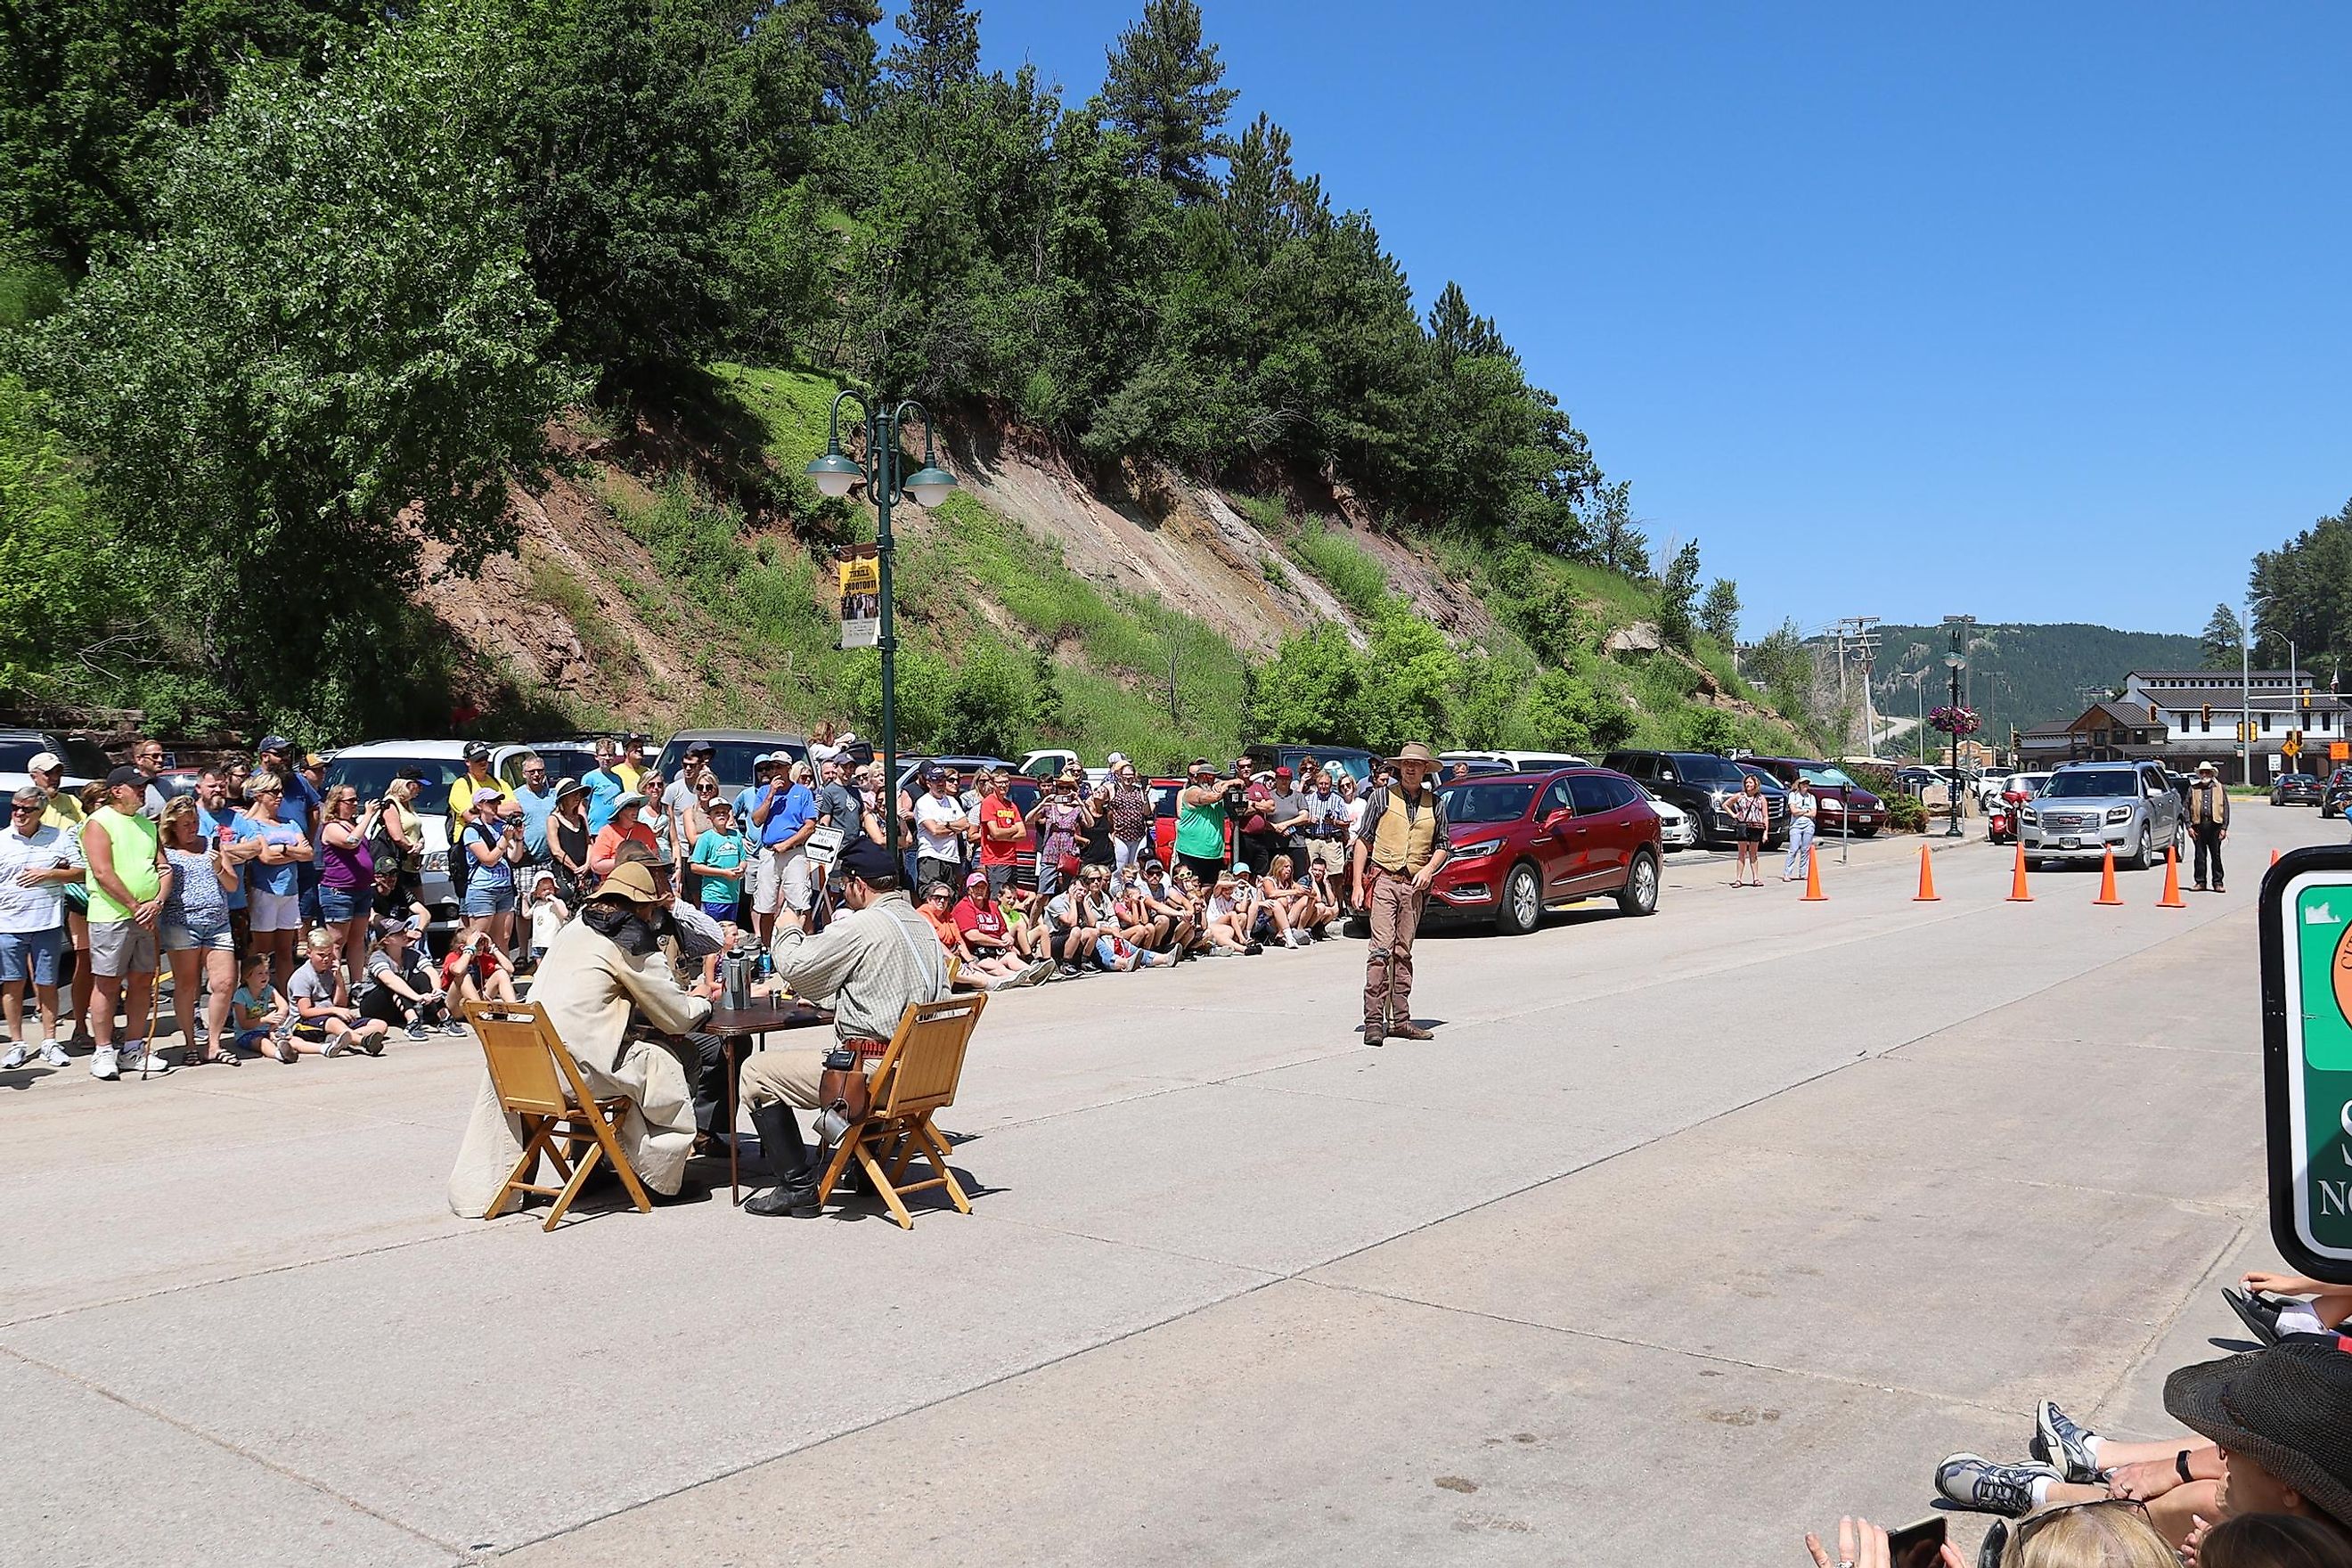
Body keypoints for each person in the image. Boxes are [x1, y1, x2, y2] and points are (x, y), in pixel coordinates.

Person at [450, 859, 715, 1213]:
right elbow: (677, 1017)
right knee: (672, 1058)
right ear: (642, 906)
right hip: (576, 1077)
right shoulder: (629, 939)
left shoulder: (574, 928)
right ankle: (659, 1176)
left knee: (614, 1052)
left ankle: (593, 1167)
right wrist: (701, 1001)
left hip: (533, 1070)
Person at [735, 840, 951, 1217]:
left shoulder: (864, 924)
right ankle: (864, 1167)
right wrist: (836, 1001)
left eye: (842, 886)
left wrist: (786, 929)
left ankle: (797, 1186)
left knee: (755, 1071)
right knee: (852, 1050)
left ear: (857, 884)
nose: (840, 893)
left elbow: (798, 967)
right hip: (919, 1074)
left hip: (873, 1077)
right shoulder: (921, 924)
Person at [1352, 742, 1452, 1045]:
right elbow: (1363, 841)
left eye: (1416, 764)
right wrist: (1357, 883)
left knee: (1402, 953)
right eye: (1406, 763)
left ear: (1425, 770)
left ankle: (1401, 1020)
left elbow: (1444, 846)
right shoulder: (1381, 797)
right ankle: (1373, 1021)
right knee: (1380, 950)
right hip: (1384, 880)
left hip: (1413, 886)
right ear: (1399, 767)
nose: (1410, 768)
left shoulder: (1435, 803)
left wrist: (1428, 870)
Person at [82, 765, 170, 1079]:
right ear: (117, 790)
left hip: (146, 916)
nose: (142, 790)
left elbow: (164, 867)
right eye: (136, 786)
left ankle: (133, 1048)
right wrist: (135, 906)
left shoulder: (147, 825)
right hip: (112, 917)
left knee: (142, 981)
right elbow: (103, 872)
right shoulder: (99, 822)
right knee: (107, 983)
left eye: (144, 786)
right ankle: (103, 1050)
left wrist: (157, 902)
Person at [157, 796, 242, 1065]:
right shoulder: (165, 851)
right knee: (186, 985)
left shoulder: (212, 846)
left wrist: (219, 867)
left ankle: (214, 1043)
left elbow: (231, 885)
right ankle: (190, 1043)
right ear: (172, 826)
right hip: (182, 924)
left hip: (217, 923)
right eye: (185, 825)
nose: (192, 829)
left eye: (194, 822)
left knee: (224, 983)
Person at [0, 785, 77, 1069]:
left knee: (47, 983)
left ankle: (49, 1041)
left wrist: (50, 873)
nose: (19, 813)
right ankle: (17, 1043)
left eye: (26, 809)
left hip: (47, 922)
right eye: (16, 807)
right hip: (8, 923)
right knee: (13, 982)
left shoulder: (58, 838)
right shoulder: (2, 840)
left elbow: (81, 871)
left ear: (40, 811)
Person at [235, 769, 312, 989]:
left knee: (285, 952)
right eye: (273, 792)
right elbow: (266, 856)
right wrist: (293, 852)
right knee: (260, 953)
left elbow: (308, 854)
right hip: (264, 892)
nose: (279, 796)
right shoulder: (251, 824)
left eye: (281, 791)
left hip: (290, 892)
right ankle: (253, 997)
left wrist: (284, 848)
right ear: (259, 794)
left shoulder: (289, 823)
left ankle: (288, 1000)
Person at [286, 927, 389, 1057]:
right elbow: (305, 1012)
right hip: (305, 1024)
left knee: (380, 1025)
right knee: (334, 1023)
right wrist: (334, 1010)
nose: (326, 959)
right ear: (309, 953)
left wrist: (339, 979)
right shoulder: (302, 977)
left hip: (332, 1019)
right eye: (321, 955)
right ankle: (363, 1041)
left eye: (329, 955)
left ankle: (339, 1038)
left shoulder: (331, 971)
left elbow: (340, 1004)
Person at [315, 784, 381, 984]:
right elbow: (351, 841)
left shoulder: (353, 824)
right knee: (336, 942)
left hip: (361, 889)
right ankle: (335, 984)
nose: (355, 804)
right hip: (339, 891)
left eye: (355, 799)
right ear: (337, 803)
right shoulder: (332, 827)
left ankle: (356, 984)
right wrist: (368, 816)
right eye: (350, 800)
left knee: (357, 941)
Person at [358, 918, 465, 1038]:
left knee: (422, 977)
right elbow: (390, 980)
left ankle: (445, 1018)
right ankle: (412, 1022)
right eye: (398, 933)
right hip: (374, 1007)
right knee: (395, 982)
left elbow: (430, 971)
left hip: (397, 1007)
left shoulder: (411, 953)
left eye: (404, 930)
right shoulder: (377, 957)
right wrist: (418, 997)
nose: (404, 934)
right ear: (386, 940)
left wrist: (437, 991)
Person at [951, 871, 1052, 985]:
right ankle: (1025, 979)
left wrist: (1008, 939)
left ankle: (1035, 972)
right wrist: (999, 942)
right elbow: (973, 936)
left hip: (997, 950)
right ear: (969, 889)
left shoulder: (992, 906)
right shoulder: (963, 907)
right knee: (996, 966)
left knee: (1011, 958)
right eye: (976, 887)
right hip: (977, 953)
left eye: (983, 887)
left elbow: (1003, 931)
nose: (980, 890)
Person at [456, 786, 523, 956]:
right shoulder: (472, 830)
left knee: (502, 938)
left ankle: (502, 976)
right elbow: (488, 859)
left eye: (498, 801)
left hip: (504, 888)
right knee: (477, 938)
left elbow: (514, 857)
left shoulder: (502, 826)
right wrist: (504, 840)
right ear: (480, 805)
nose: (496, 805)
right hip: (482, 889)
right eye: (491, 801)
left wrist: (519, 837)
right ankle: (471, 975)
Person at [227, 951, 300, 1063]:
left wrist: (275, 1023)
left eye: (266, 973)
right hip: (246, 1034)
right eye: (260, 973)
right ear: (247, 976)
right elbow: (243, 1024)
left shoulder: (268, 989)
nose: (265, 976)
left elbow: (284, 1006)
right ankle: (280, 1055)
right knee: (263, 1043)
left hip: (266, 1029)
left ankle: (323, 1048)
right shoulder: (240, 995)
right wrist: (264, 1020)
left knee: (294, 1040)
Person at [914, 765, 975, 897]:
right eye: (937, 781)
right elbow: (934, 830)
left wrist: (946, 825)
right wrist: (954, 827)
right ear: (929, 783)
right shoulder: (923, 802)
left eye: (943, 780)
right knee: (931, 896)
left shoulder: (952, 801)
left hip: (952, 857)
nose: (941, 784)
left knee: (951, 897)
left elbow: (965, 824)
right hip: (931, 856)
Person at [688, 799, 750, 927]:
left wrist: (741, 868)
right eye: (717, 813)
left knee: (730, 931)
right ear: (709, 817)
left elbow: (743, 859)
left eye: (724, 812)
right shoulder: (706, 838)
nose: (721, 815)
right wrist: (723, 873)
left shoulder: (736, 835)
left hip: (733, 896)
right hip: (713, 896)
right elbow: (694, 866)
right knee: (714, 932)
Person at [1174, 759, 1233, 885]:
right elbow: (1209, 798)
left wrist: (1233, 782)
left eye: (1211, 777)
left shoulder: (1217, 792)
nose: (1207, 779)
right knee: (1191, 887)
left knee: (1211, 888)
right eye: (1204, 776)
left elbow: (1242, 787)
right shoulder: (1192, 791)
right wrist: (1226, 785)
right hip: (1192, 851)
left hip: (1214, 853)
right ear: (1197, 778)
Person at [974, 768, 1029, 899]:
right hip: (995, 860)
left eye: (1006, 782)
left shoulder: (1011, 806)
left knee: (1011, 898)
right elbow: (995, 832)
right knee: (998, 897)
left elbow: (1023, 833)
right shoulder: (988, 803)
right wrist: (1013, 829)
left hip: (1012, 859)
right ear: (993, 784)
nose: (1003, 785)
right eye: (1000, 782)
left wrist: (1002, 836)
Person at [441, 928, 519, 1008]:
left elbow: (510, 969)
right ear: (462, 947)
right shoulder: (453, 956)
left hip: (475, 1000)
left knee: (501, 973)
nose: (481, 945)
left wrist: (493, 948)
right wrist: (469, 949)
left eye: (482, 942)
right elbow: (458, 971)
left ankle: (513, 1009)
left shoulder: (480, 958)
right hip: (455, 1005)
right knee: (462, 976)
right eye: (477, 943)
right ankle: (480, 1011)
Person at [510, 753, 559, 876]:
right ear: (523, 774)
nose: (536, 775)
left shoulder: (553, 795)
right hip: (526, 861)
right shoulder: (515, 796)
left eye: (540, 771)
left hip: (551, 861)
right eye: (532, 772)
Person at [547, 777, 592, 904]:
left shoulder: (581, 819)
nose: (577, 797)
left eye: (579, 794)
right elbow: (556, 851)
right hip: (565, 875)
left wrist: (587, 865)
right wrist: (576, 870)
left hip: (586, 873)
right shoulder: (553, 820)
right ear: (563, 798)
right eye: (573, 794)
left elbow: (589, 843)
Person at [2188, 759, 2231, 892]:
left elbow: (2226, 808)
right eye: (2202, 772)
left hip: (2215, 826)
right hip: (2198, 826)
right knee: (2200, 856)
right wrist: (2189, 826)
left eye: (2207, 772)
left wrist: (2224, 828)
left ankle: (2218, 882)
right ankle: (2200, 882)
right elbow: (2185, 808)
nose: (2205, 775)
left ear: (2212, 774)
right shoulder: (2193, 789)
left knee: (2216, 855)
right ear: (2199, 774)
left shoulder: (2219, 788)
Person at [1727, 772, 1768, 887]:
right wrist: (1734, 815)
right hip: (1743, 825)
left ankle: (1756, 878)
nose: (1748, 785)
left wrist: (1765, 832)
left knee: (1753, 853)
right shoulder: (1740, 796)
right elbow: (1726, 804)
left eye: (1750, 782)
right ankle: (1738, 879)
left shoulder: (1761, 798)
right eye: (1746, 783)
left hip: (1756, 826)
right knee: (1741, 853)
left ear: (1756, 784)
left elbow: (1765, 816)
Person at [581, 736, 628, 836]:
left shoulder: (618, 779)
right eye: (603, 755)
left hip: (616, 830)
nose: (607, 758)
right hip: (595, 831)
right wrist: (586, 832)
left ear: (615, 757)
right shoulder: (589, 778)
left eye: (610, 755)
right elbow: (582, 807)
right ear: (596, 756)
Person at [522, 869, 569, 967]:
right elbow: (526, 915)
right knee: (540, 964)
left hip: (553, 941)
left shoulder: (557, 902)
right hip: (539, 942)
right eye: (543, 890)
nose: (547, 891)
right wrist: (524, 900)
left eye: (550, 888)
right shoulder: (537, 904)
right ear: (537, 893)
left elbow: (565, 914)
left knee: (554, 964)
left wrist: (554, 899)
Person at [444, 742, 499, 823]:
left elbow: (517, 809)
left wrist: (487, 810)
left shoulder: (499, 783)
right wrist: (499, 815)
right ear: (467, 762)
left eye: (485, 758)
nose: (483, 762)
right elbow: (471, 817)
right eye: (478, 760)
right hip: (471, 834)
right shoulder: (461, 785)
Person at [27, 751, 82, 831]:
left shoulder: (71, 800)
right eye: (48, 773)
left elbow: (84, 828)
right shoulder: (26, 804)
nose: (55, 778)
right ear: (33, 777)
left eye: (58, 772)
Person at [1783, 773, 1818, 882]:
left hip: (1808, 824)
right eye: (1803, 784)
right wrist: (1805, 811)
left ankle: (1803, 873)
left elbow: (1813, 813)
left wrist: (1802, 812)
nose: (1805, 786)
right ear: (1799, 785)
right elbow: (1794, 811)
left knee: (1805, 849)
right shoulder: (1793, 795)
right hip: (1796, 825)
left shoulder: (1811, 797)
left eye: (1807, 784)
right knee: (1793, 849)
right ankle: (1787, 873)